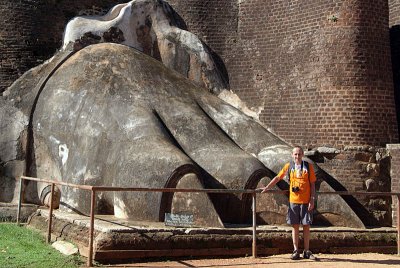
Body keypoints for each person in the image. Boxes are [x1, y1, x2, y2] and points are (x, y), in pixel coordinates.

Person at [261, 146, 317, 260]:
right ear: (292, 155)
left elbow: (312, 184)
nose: (297, 156)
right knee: (295, 226)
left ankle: (306, 251)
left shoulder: (308, 166)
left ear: (302, 155)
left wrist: (312, 199)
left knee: (306, 226)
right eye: (295, 154)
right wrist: (267, 187)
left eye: (299, 154)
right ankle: (296, 250)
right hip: (293, 200)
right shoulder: (289, 166)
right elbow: (278, 177)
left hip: (306, 200)